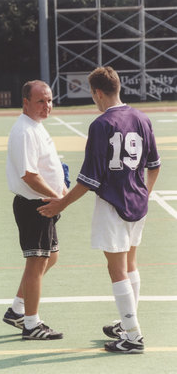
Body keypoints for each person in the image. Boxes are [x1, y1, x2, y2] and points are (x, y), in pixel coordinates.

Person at [38, 66, 161, 353]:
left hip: (112, 203)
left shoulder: (100, 125)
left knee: (116, 269)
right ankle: (127, 322)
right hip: (137, 202)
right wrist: (145, 192)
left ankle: (132, 336)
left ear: (97, 93)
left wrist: (61, 204)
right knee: (130, 264)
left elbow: (88, 179)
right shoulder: (142, 118)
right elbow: (155, 165)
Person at [3, 80, 68, 340]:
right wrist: (58, 197)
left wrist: (60, 189)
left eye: (50, 100)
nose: (47, 106)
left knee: (49, 258)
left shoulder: (35, 126)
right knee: (36, 262)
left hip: (44, 204)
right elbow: (29, 175)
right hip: (35, 206)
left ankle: (17, 309)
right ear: (26, 102)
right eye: (41, 101)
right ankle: (31, 324)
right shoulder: (24, 131)